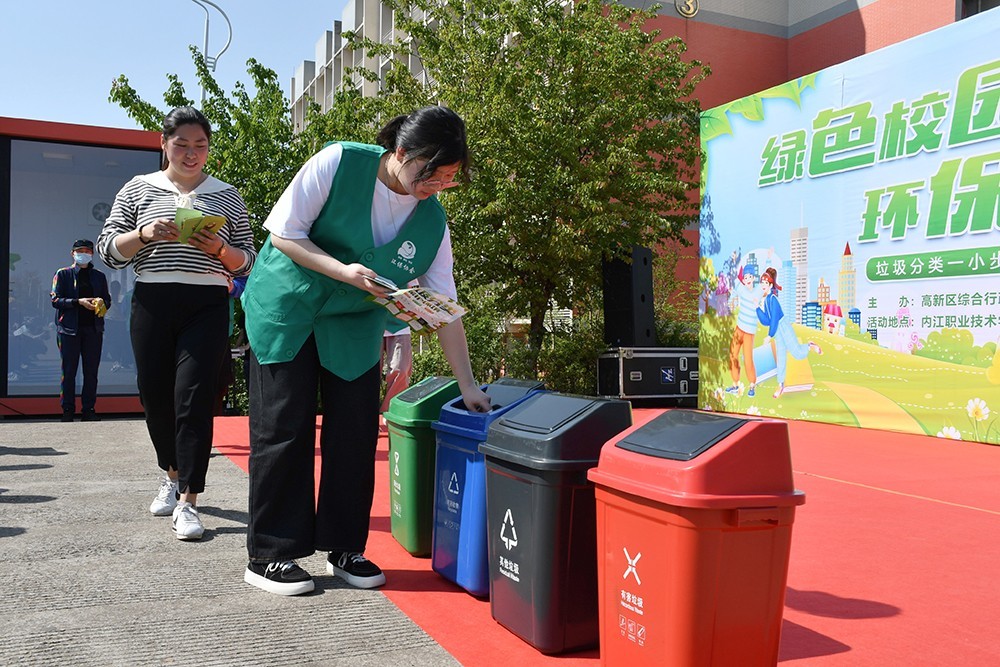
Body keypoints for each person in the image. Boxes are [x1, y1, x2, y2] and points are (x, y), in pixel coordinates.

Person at [241, 105, 491, 596]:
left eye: (448, 180)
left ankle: (344, 546)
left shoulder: (433, 224)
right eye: (429, 173)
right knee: (283, 425)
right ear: (401, 152)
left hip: (353, 322)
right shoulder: (338, 161)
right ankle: (271, 553)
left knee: (355, 432)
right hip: (288, 304)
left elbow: (445, 308)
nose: (434, 186)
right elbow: (284, 233)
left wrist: (468, 385)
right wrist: (344, 272)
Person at [97, 106, 257, 541]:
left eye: (200, 145)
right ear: (163, 144)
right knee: (155, 395)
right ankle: (170, 471)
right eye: (182, 144)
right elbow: (108, 250)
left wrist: (220, 250)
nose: (191, 153)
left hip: (207, 299)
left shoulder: (227, 194)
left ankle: (189, 499)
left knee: (194, 396)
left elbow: (249, 260)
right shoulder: (137, 189)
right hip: (152, 297)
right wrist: (145, 234)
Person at [50, 239, 112, 422]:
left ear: (92, 254)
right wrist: (78, 302)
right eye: (79, 251)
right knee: (69, 371)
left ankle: (88, 409)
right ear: (72, 254)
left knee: (91, 371)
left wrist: (101, 303)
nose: (83, 253)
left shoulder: (99, 276)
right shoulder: (63, 274)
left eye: (87, 251)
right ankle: (67, 410)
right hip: (68, 329)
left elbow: (107, 300)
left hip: (93, 329)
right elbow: (55, 300)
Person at [757, 267, 821, 398]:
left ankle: (810, 346)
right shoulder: (765, 300)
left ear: (770, 284)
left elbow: (774, 319)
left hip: (783, 326)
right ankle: (781, 385)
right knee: (781, 358)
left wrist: (769, 336)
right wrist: (757, 308)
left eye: (765, 283)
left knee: (797, 353)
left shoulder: (773, 299)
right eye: (761, 283)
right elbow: (766, 321)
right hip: (777, 330)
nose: (763, 285)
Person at [726, 264, 759, 397]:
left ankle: (752, 385)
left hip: (749, 332)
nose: (748, 279)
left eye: (750, 276)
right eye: (745, 277)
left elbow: (767, 283)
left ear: (754, 278)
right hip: (739, 329)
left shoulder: (758, 290)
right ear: (743, 279)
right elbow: (733, 282)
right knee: (733, 355)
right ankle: (735, 384)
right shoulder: (741, 288)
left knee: (748, 359)